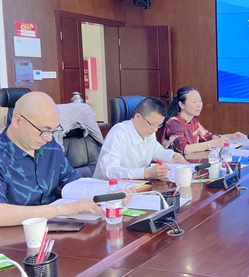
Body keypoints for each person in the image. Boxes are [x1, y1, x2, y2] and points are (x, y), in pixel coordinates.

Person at [0, 92, 103, 226]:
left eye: (53, 131)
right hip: (15, 234)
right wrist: (62, 209)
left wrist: (110, 191)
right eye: (44, 131)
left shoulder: (49, 146)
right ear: (17, 121)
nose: (49, 138)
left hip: (56, 228)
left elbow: (71, 180)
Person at [94, 97, 188, 180]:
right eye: (152, 124)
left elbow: (159, 152)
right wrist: (145, 173)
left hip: (135, 187)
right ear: (138, 117)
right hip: (108, 189)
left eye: (158, 125)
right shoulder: (118, 133)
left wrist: (174, 156)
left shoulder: (149, 132)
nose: (155, 129)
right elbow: (109, 170)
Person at [162, 86, 245, 154]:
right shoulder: (173, 123)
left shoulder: (194, 121)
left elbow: (208, 137)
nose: (199, 105)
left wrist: (230, 136)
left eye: (200, 101)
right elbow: (184, 149)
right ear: (181, 105)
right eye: (194, 101)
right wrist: (211, 144)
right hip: (177, 166)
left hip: (191, 162)